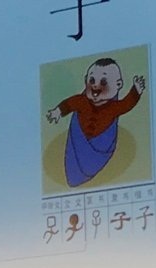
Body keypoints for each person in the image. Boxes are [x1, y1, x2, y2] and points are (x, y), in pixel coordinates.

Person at [46, 58, 146, 187]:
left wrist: (136, 91)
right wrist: (57, 112)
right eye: (92, 80)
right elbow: (69, 104)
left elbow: (127, 104)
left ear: (118, 85)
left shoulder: (114, 107)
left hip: (99, 149)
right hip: (79, 144)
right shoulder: (82, 101)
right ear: (86, 81)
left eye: (103, 82)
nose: (95, 85)